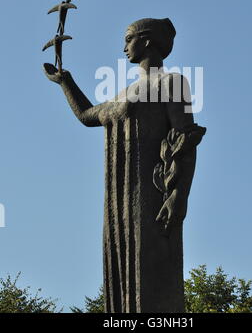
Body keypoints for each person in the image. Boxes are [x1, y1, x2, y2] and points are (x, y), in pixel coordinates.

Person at [44, 17, 206, 313]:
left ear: (146, 41)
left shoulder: (172, 83)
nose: (123, 47)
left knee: (150, 270)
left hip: (153, 193)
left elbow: (185, 140)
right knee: (119, 272)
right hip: (118, 202)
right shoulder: (123, 93)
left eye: (128, 38)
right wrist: (65, 81)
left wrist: (178, 196)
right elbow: (87, 115)